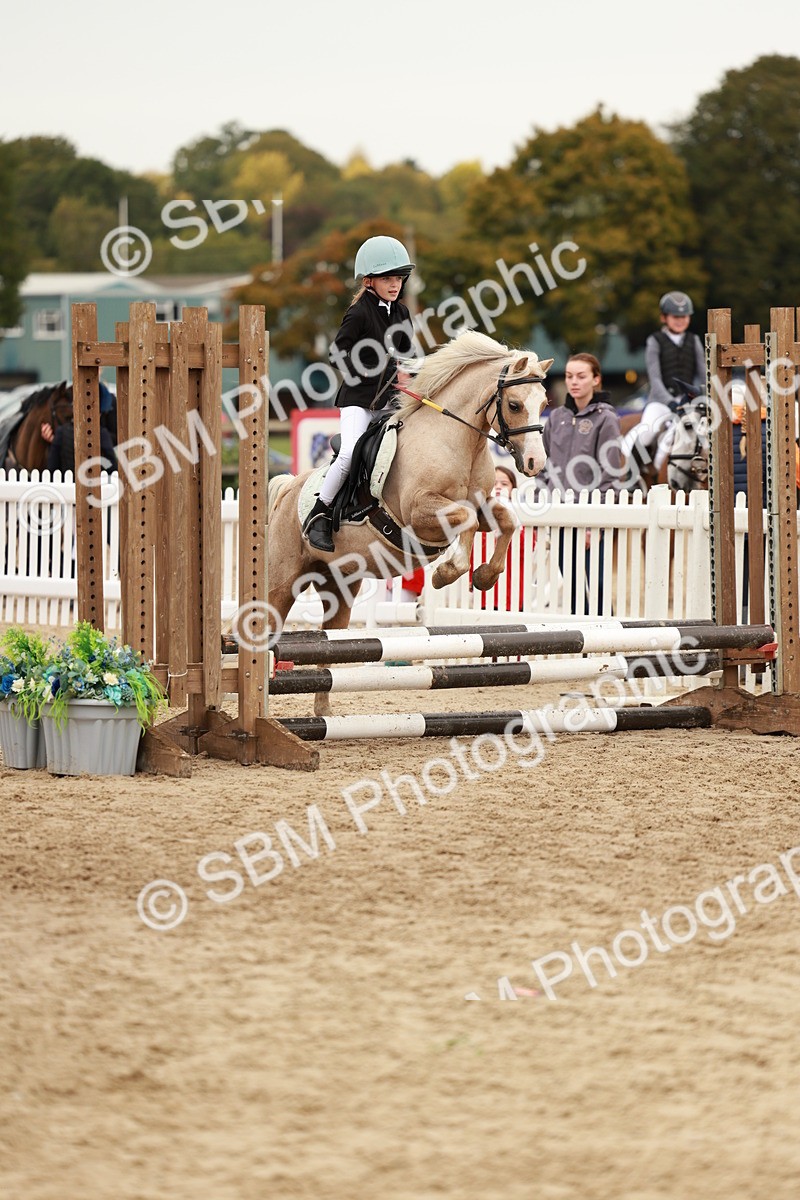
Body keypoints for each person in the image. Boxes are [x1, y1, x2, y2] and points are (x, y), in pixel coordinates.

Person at [302, 235, 416, 553]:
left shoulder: (402, 314)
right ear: (369, 281)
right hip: (358, 400)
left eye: (398, 278)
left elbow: (408, 356)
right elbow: (337, 353)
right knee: (351, 452)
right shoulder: (360, 313)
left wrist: (417, 375)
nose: (395, 284)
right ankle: (320, 513)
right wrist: (362, 372)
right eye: (387, 278)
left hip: (392, 400)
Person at [543, 353, 622, 613]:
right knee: (573, 586)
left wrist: (593, 525)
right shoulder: (555, 418)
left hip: (590, 517)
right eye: (568, 376)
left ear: (596, 379)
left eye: (581, 376)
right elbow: (544, 467)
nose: (573, 382)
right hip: (560, 517)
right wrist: (546, 506)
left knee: (597, 586)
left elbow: (610, 474)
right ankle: (585, 647)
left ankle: (609, 642)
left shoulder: (606, 419)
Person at [645, 291, 704, 407]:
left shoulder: (694, 340)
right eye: (675, 316)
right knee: (648, 423)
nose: (680, 320)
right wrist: (670, 402)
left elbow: (704, 373)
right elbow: (655, 379)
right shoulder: (654, 340)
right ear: (663, 317)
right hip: (660, 402)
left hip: (688, 401)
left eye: (684, 316)